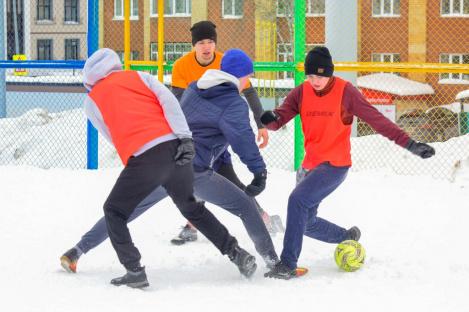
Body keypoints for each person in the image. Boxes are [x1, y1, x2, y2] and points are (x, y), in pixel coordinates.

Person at [60, 49, 279, 277]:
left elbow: (176, 114)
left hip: (164, 159)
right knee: (245, 205)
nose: (248, 82)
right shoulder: (233, 102)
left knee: (124, 212)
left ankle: (77, 251)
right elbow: (243, 140)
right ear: (241, 76)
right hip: (194, 169)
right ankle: (273, 263)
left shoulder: (195, 88)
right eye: (248, 77)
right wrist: (259, 172)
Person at [262, 47, 435, 280]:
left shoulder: (346, 92)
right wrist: (270, 120)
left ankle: (287, 264)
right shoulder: (302, 92)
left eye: (320, 76)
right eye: (311, 76)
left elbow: (377, 121)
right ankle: (346, 236)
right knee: (304, 222)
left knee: (297, 201)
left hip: (334, 165)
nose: (315, 81)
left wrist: (410, 144)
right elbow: (280, 117)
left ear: (330, 74)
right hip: (309, 165)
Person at [169, 21, 284, 244]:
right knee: (195, 180)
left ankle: (264, 218)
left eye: (210, 42)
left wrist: (261, 124)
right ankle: (193, 225)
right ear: (193, 46)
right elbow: (178, 103)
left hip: (217, 135)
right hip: (194, 136)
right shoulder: (181, 66)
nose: (206, 47)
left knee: (225, 182)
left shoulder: (227, 62)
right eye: (201, 42)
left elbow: (249, 92)